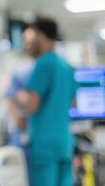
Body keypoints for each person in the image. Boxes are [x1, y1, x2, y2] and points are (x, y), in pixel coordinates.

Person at [15, 18, 77, 186]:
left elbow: (32, 105)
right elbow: (73, 104)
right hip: (64, 143)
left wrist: (20, 97)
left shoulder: (44, 63)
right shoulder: (66, 66)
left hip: (45, 144)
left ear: (41, 35)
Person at [5, 27, 40, 186]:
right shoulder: (22, 72)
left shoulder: (47, 69)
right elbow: (11, 100)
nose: (28, 45)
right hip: (23, 137)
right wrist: (18, 119)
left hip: (41, 138)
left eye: (31, 42)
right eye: (26, 42)